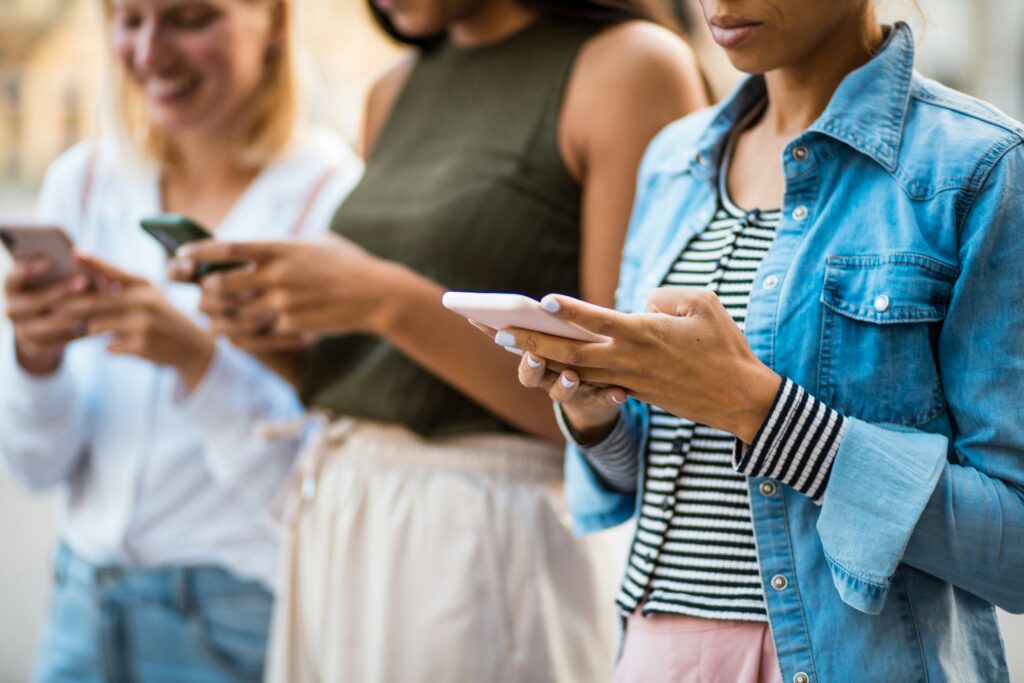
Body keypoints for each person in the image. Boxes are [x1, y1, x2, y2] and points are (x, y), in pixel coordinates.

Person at [483, 1, 1024, 681]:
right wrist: (594, 409)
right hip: (658, 654)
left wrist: (764, 414)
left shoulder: (981, 169)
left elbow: (1014, 543)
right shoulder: (673, 162)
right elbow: (646, 478)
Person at [178, 0, 708, 679]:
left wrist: (383, 297)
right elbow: (392, 376)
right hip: (341, 512)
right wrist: (258, 329)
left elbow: (626, 408)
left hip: (482, 543)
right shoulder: (393, 89)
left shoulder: (628, 65)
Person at [0, 0, 360, 680]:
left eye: (190, 18)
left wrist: (198, 362)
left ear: (276, 22)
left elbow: (315, 493)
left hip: (235, 619)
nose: (150, 51)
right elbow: (34, 466)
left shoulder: (330, 198)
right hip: (81, 603)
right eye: (129, 19)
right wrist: (36, 360)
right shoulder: (82, 182)